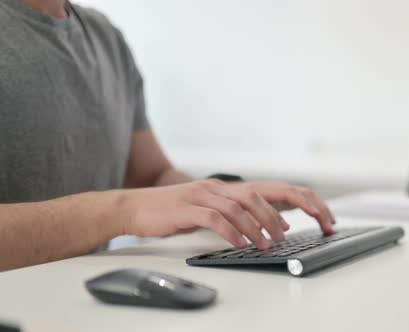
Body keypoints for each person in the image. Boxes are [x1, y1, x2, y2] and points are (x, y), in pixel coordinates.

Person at [0, 0, 335, 271]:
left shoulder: (106, 37)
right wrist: (120, 211)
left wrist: (224, 198)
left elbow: (151, 175)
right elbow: (132, 204)